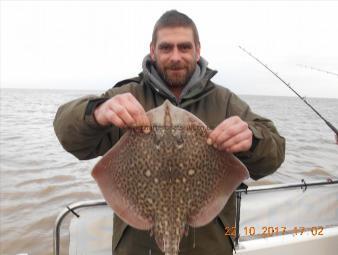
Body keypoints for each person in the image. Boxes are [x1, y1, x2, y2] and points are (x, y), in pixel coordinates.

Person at [54, 10, 285, 255]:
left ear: (198, 50)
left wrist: (252, 139)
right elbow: (68, 133)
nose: (175, 56)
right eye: (166, 48)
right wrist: (97, 112)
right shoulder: (127, 97)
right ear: (153, 51)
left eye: (184, 47)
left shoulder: (225, 102)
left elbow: (274, 154)